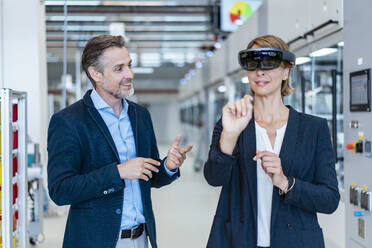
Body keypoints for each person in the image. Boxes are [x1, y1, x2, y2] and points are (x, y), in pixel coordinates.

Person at [47, 35, 192, 248]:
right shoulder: (68, 121)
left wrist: (168, 166)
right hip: (96, 241)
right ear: (95, 73)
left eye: (130, 66)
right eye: (119, 68)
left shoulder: (140, 115)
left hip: (141, 238)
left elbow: (148, 176)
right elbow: (60, 190)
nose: (130, 74)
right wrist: (118, 172)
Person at [204, 34, 340, 248]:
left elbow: (330, 199)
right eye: (252, 64)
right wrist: (229, 136)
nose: (260, 71)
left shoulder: (314, 129)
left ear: (286, 70)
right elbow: (213, 177)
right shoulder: (231, 123)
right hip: (238, 241)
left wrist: (286, 182)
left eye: (269, 63)